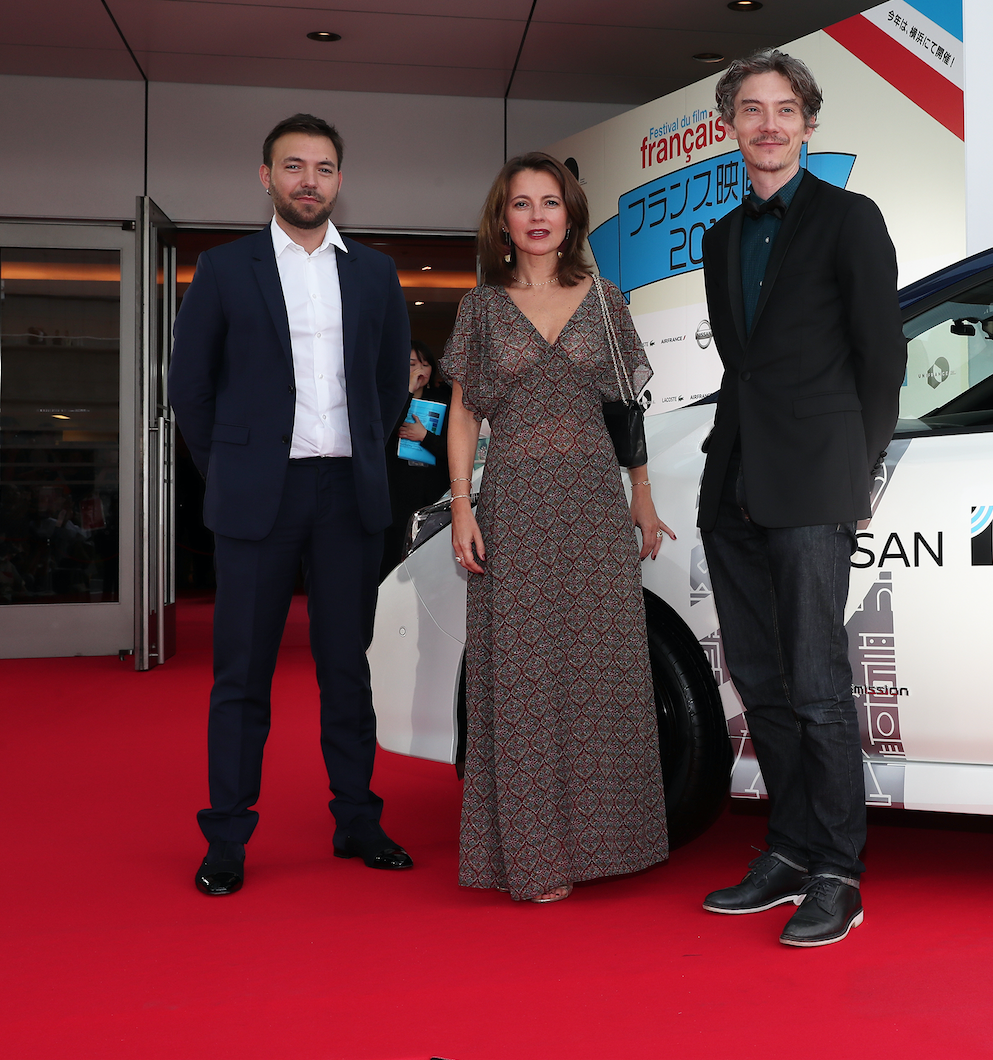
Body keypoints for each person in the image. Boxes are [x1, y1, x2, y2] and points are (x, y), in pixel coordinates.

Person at [170, 113, 414, 897]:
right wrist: (233, 471)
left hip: (347, 495)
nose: (309, 180)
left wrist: (362, 466)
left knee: (348, 670)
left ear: (341, 181)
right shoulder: (223, 269)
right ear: (267, 177)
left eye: (324, 168)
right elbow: (191, 389)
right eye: (294, 166)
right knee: (242, 675)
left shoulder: (374, 274)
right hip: (256, 501)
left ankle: (358, 820)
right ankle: (228, 838)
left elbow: (385, 386)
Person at [695, 50, 905, 947]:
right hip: (734, 481)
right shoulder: (721, 237)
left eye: (785, 110)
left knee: (818, 685)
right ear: (730, 128)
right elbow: (742, 369)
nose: (769, 124)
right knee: (762, 680)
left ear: (809, 124)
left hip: (816, 482)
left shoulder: (850, 220)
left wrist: (854, 474)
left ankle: (837, 873)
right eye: (752, 110)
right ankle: (787, 850)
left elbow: (880, 357)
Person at [443, 151, 677, 903]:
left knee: (599, 674)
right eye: (522, 203)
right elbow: (463, 413)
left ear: (570, 216)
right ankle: (536, 857)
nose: (538, 215)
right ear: (502, 220)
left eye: (551, 202)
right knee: (522, 680)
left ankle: (613, 844)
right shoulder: (481, 309)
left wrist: (642, 495)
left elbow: (625, 412)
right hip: (512, 502)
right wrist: (460, 505)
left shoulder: (606, 301)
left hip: (592, 504)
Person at [379, 339, 450, 582]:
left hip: (431, 492)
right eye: (411, 364)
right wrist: (408, 389)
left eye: (425, 364)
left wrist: (425, 437)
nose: (420, 369)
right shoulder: (388, 400)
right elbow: (382, 435)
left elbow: (455, 449)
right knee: (389, 565)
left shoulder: (445, 400)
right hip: (395, 494)